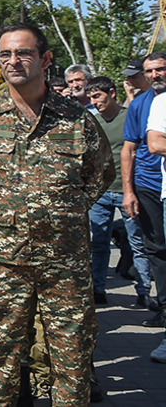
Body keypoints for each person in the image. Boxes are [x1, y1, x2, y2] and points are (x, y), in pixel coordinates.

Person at [0, 23, 114, 406]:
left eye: (23, 53)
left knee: (72, 352)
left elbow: (100, 174)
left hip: (65, 260)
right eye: (6, 54)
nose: (14, 61)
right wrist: (4, 216)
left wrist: (61, 211)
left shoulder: (76, 119)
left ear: (44, 59)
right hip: (4, 261)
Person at [86, 76, 144, 306]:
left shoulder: (130, 117)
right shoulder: (93, 121)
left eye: (97, 96)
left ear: (111, 93)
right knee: (98, 243)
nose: (94, 101)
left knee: (137, 243)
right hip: (100, 193)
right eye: (90, 97)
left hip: (127, 190)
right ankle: (98, 290)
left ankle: (144, 291)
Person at [122, 50, 166, 326]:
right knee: (156, 249)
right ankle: (163, 308)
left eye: (159, 69)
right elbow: (129, 150)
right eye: (149, 71)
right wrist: (129, 192)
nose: (154, 75)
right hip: (148, 184)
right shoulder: (141, 104)